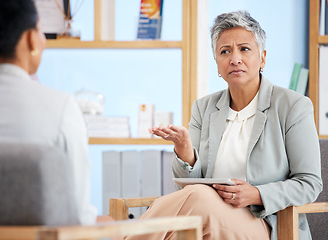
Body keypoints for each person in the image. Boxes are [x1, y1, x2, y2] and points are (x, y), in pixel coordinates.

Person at [127, 11, 323, 240]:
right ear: (218, 65)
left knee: (197, 198)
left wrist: (256, 194)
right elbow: (188, 185)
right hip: (208, 215)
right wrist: (184, 149)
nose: (235, 58)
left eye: (244, 49)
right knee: (192, 209)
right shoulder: (204, 107)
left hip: (266, 223)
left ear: (262, 58)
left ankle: (122, 235)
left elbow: (309, 184)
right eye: (225, 51)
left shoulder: (293, 106)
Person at [0, 0, 111, 225]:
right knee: (109, 223)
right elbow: (79, 216)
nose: (43, 40)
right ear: (30, 38)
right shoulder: (62, 107)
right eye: (40, 30)